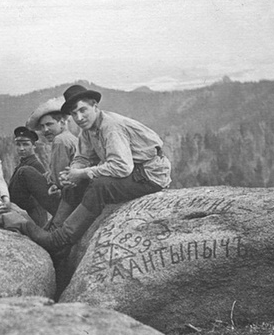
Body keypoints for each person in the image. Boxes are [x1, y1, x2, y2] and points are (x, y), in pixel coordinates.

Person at [21, 85, 172, 254]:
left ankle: (61, 238)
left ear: (94, 105)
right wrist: (73, 174)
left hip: (149, 174)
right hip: (133, 170)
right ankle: (54, 229)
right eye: (74, 113)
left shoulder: (111, 126)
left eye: (83, 110)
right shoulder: (88, 130)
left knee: (100, 185)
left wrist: (82, 173)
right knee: (76, 183)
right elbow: (82, 158)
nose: (79, 117)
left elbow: (122, 167)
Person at [24, 97, 78, 225]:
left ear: (62, 123)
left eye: (49, 124)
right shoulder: (71, 138)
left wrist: (53, 183)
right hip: (72, 192)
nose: (45, 130)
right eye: (42, 126)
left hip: (66, 196)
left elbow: (59, 179)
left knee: (25, 173)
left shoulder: (60, 140)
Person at [8, 126, 48, 226]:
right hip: (24, 214)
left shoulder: (36, 165)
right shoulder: (22, 164)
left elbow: (41, 196)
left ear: (34, 146)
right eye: (18, 144)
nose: (21, 148)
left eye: (25, 144)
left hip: (34, 216)